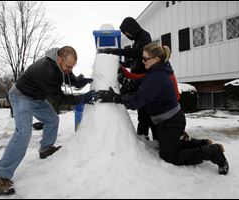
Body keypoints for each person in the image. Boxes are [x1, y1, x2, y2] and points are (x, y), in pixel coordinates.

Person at [95, 44, 229, 175]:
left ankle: (212, 152)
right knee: (172, 145)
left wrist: (115, 98)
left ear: (156, 59)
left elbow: (137, 101)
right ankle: (202, 143)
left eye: (145, 59)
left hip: (170, 122)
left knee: (170, 156)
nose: (143, 61)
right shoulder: (157, 71)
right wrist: (125, 78)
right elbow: (141, 81)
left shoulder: (156, 77)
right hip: (170, 120)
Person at [0, 46, 95, 195]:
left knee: (52, 119)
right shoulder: (47, 70)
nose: (70, 69)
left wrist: (78, 81)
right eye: (68, 66)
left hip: (37, 97)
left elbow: (68, 76)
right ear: (59, 59)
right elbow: (59, 98)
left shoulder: (61, 65)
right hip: (21, 96)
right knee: (23, 133)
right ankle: (0, 176)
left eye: (72, 66)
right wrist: (82, 98)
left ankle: (45, 149)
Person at [99, 17, 155, 141]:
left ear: (131, 28)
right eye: (124, 33)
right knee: (142, 111)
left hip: (144, 79)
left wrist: (117, 51)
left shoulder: (144, 36)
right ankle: (142, 135)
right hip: (137, 79)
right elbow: (135, 60)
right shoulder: (136, 40)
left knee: (147, 110)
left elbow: (137, 53)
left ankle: (155, 138)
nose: (127, 35)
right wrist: (123, 65)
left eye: (126, 32)